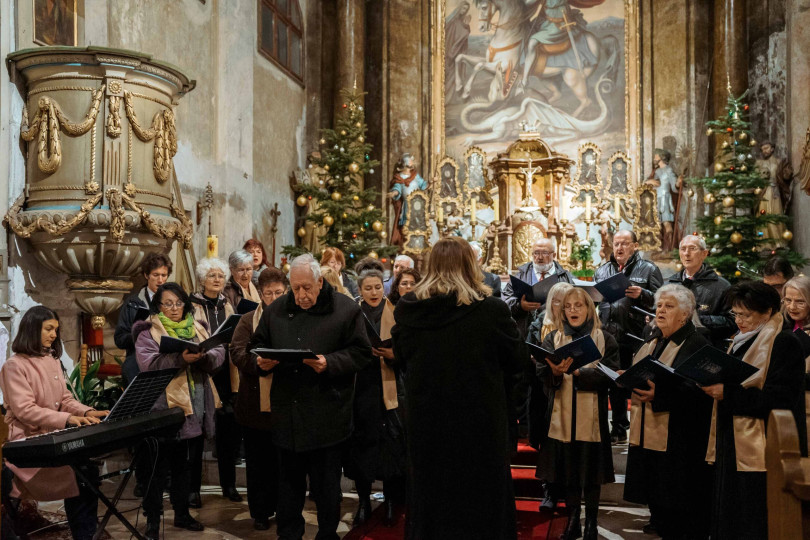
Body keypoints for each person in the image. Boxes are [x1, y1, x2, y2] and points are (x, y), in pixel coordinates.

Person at [392, 237, 528, 540]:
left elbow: (400, 358)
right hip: (479, 423)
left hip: (429, 422)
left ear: (431, 266)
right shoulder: (490, 310)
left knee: (432, 495)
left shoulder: (409, 309)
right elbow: (517, 360)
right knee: (480, 500)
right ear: (471, 266)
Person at [247, 254, 371, 540]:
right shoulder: (276, 310)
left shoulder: (345, 308)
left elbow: (361, 353)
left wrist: (329, 362)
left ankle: (327, 534)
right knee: (288, 487)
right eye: (295, 288)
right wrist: (261, 362)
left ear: (320, 281)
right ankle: (289, 535)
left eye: (307, 288)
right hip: (287, 415)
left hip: (327, 414)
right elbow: (258, 345)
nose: (301, 295)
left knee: (327, 488)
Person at [703, 281, 807, 540]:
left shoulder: (784, 342)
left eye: (746, 315)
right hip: (733, 439)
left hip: (763, 445)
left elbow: (780, 397)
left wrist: (728, 393)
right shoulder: (740, 340)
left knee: (752, 517)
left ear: (768, 311)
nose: (739, 320)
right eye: (735, 314)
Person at [0, 306, 109, 540]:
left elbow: (66, 399)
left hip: (52, 434)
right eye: (48, 329)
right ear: (32, 329)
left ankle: (86, 533)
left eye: (56, 330)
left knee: (86, 471)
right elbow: (25, 410)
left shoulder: (51, 360)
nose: (54, 335)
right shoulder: (14, 366)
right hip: (25, 440)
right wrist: (67, 420)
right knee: (79, 472)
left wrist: (89, 411)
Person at [133, 282, 226, 537]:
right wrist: (179, 359)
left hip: (194, 405)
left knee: (185, 466)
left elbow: (217, 353)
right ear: (158, 306)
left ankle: (182, 514)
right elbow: (148, 364)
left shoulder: (197, 326)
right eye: (168, 304)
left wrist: (204, 357)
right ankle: (153, 520)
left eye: (178, 303)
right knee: (158, 469)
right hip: (163, 410)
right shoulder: (148, 332)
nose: (174, 309)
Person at [623, 285, 712, 539]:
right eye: (659, 305)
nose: (661, 310)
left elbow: (698, 392)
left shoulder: (695, 343)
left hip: (680, 442)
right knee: (660, 506)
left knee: (678, 511)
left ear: (685, 314)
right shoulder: (655, 339)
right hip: (654, 435)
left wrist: (659, 396)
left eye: (669, 307)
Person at [535, 287, 619, 540]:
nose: (573, 310)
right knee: (568, 471)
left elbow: (612, 375)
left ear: (589, 309)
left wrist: (582, 374)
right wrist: (555, 373)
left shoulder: (605, 338)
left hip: (591, 417)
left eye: (578, 305)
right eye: (568, 306)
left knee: (590, 473)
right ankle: (573, 520)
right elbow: (542, 373)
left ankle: (591, 521)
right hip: (561, 415)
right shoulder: (553, 339)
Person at [230, 267, 289, 530]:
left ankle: (285, 507)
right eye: (268, 293)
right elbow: (237, 351)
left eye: (279, 292)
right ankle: (261, 512)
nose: (274, 298)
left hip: (286, 401)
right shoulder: (247, 320)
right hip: (254, 404)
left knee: (284, 463)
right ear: (260, 295)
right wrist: (257, 363)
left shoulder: (294, 318)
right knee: (258, 463)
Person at [347, 269, 406, 528]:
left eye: (377, 287)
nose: (374, 292)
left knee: (390, 449)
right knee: (362, 450)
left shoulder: (397, 312)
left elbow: (408, 349)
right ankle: (363, 501)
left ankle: (391, 501)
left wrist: (395, 355)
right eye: (368, 288)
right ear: (359, 291)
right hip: (362, 388)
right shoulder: (352, 314)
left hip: (390, 388)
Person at [594, 230, 663, 443]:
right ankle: (611, 427)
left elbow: (662, 300)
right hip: (606, 334)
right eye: (616, 244)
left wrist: (643, 294)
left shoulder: (649, 269)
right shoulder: (603, 270)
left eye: (625, 243)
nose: (620, 248)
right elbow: (596, 301)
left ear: (635, 245)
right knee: (608, 380)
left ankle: (630, 426)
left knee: (626, 382)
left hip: (633, 334)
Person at [189, 258, 242, 507]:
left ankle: (228, 485)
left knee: (228, 434)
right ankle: (193, 489)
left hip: (226, 374)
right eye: (212, 275)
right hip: (202, 372)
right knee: (197, 433)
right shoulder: (192, 305)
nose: (218, 280)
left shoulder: (228, 305)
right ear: (202, 279)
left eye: (221, 275)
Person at [526, 281, 573, 511]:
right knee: (546, 441)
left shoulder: (578, 328)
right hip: (541, 392)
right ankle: (549, 489)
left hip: (569, 392)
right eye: (556, 301)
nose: (560, 306)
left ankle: (566, 488)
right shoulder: (538, 324)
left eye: (565, 302)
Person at [114, 252, 172, 385]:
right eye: (156, 275)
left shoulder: (173, 302)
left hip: (165, 362)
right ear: (146, 275)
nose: (160, 280)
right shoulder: (132, 303)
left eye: (164, 275)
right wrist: (139, 333)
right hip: (138, 363)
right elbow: (119, 339)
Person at [666, 235, 734, 347]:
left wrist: (698, 319)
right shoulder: (669, 284)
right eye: (683, 249)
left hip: (706, 348)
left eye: (692, 249)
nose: (687, 253)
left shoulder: (722, 286)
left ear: (704, 254)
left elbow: (732, 322)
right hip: (672, 348)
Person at [781, 276, 810, 450]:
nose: (792, 307)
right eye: (788, 300)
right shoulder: (781, 325)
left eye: (800, 302)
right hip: (786, 408)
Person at [388, 154, 429, 247]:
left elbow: (423, 185)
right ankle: (406, 245)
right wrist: (394, 193)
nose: (412, 163)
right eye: (410, 162)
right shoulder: (399, 178)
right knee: (407, 225)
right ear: (405, 165)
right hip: (407, 205)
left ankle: (417, 245)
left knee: (418, 224)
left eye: (412, 161)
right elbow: (397, 188)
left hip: (418, 204)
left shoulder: (415, 176)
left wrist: (431, 182)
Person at [644, 149, 680, 252]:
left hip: (665, 200)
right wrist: (649, 181)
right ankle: (660, 248)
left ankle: (669, 248)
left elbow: (674, 187)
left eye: (656, 156)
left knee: (667, 224)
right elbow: (648, 182)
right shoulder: (657, 171)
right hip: (656, 200)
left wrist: (678, 183)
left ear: (661, 157)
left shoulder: (669, 170)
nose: (654, 158)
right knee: (657, 225)